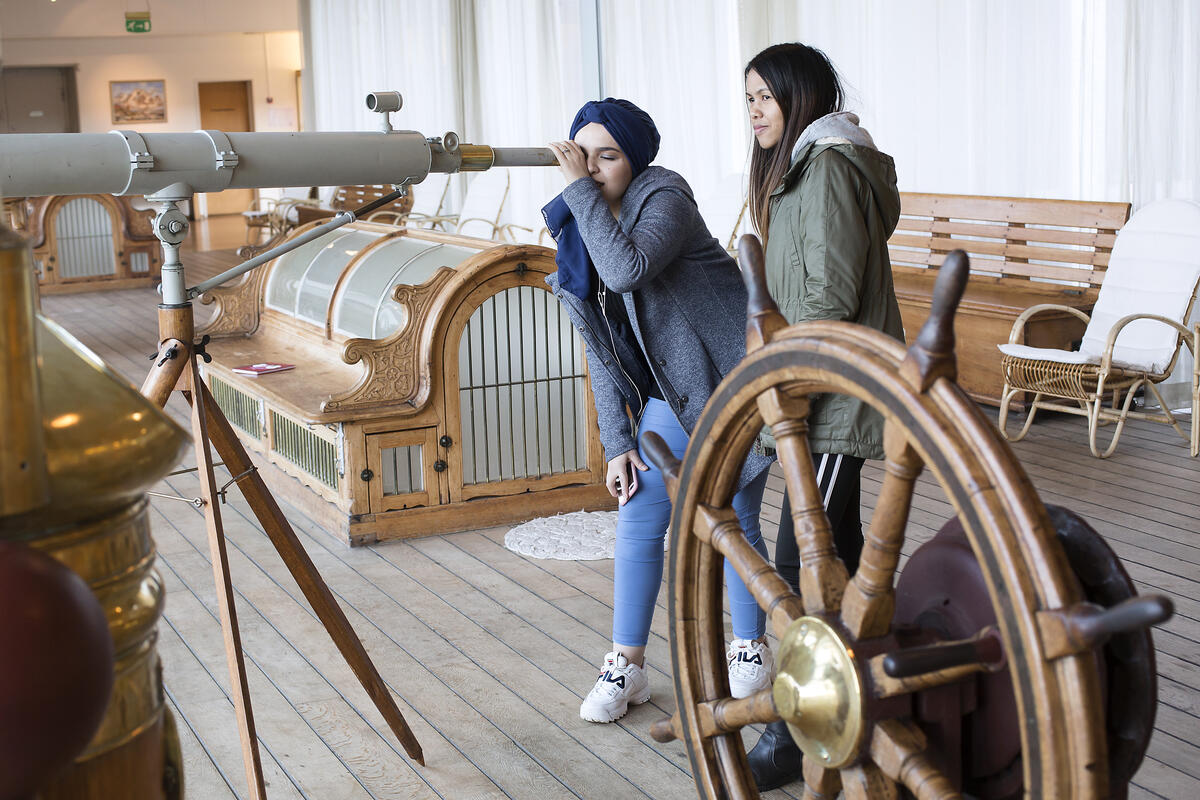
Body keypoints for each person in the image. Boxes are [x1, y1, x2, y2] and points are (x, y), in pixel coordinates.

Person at [543, 98, 775, 724]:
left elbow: (627, 270)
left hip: (724, 378)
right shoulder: (583, 227)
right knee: (640, 515)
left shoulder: (664, 196)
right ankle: (629, 664)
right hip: (666, 393)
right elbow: (598, 340)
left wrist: (578, 192)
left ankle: (750, 646)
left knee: (734, 515)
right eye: (582, 156)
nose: (591, 170)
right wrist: (617, 441)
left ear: (636, 160)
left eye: (608, 157)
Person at [741, 43, 905, 789]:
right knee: (839, 558)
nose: (754, 112)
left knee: (799, 563)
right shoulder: (799, 172)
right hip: (810, 386)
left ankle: (791, 735)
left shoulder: (830, 168)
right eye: (748, 99)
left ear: (799, 97)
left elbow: (830, 294)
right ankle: (867, 705)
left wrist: (776, 359)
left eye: (765, 97)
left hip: (834, 392)